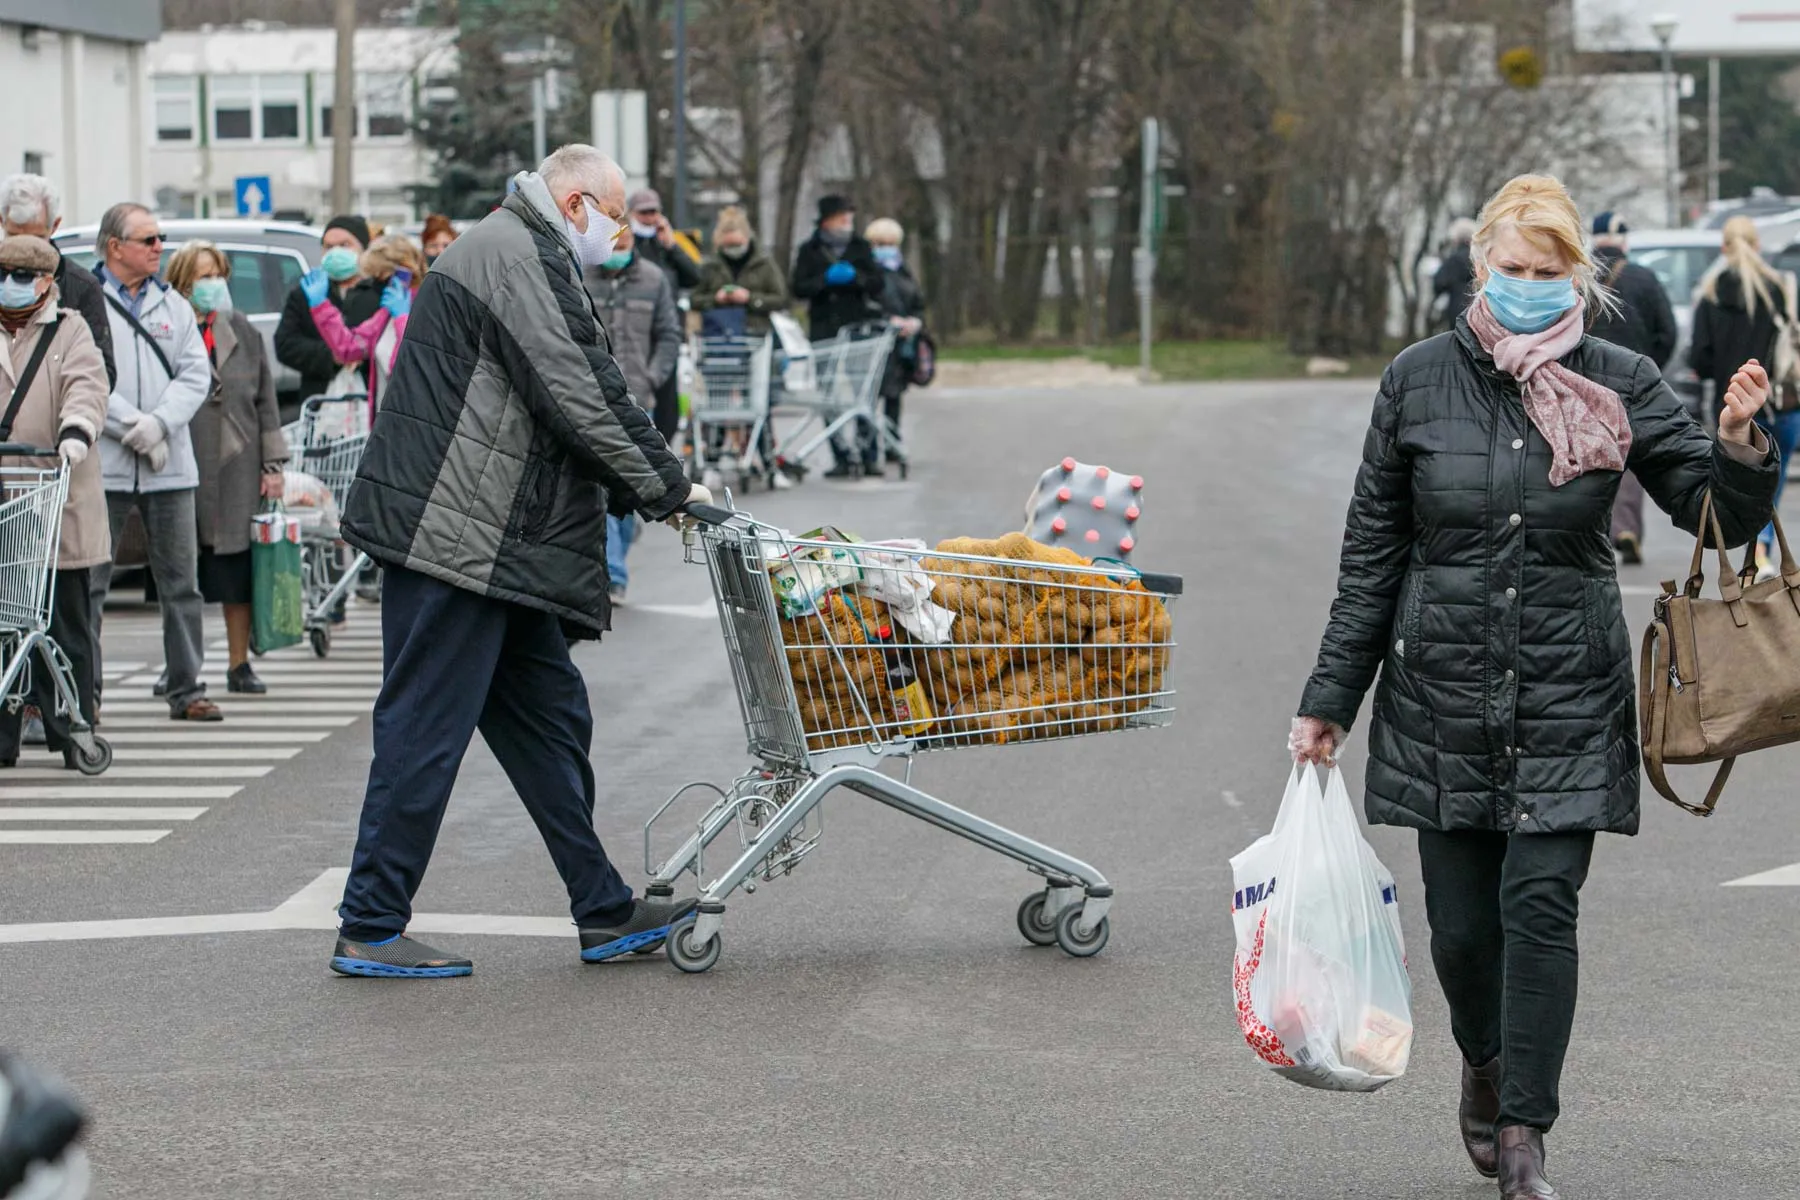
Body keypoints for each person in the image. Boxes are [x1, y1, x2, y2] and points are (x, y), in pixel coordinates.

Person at [1291, 174, 1777, 1200]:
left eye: (1545, 272)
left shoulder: (1621, 377)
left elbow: (1711, 515)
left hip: (1570, 692)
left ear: (1576, 277)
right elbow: (1373, 554)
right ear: (1481, 266)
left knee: (1541, 908)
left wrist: (1738, 448)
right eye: (1509, 270)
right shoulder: (1417, 381)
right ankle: (1485, 1064)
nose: (1524, 287)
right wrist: (1330, 698)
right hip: (1443, 700)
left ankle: (1524, 1136)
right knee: (1464, 936)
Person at [329, 144, 711, 978]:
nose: (617, 233)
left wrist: (649, 484)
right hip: (456, 538)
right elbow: (579, 388)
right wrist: (670, 490)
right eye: (610, 215)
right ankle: (369, 921)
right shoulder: (512, 254)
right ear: (573, 203)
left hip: (494, 540)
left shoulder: (524, 248)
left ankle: (603, 910)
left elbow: (574, 394)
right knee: (425, 731)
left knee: (550, 724)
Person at [90, 203, 223, 722]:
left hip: (169, 465)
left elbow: (196, 374)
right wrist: (132, 426)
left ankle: (187, 687)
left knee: (181, 583)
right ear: (114, 246)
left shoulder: (174, 305)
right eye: (146, 239)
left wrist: (160, 424)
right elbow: (87, 377)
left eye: (159, 238)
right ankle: (86, 693)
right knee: (92, 583)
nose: (158, 247)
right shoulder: (89, 303)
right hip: (108, 462)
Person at [0, 236, 109, 768]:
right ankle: (4, 735)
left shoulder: (69, 329)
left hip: (54, 495)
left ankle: (71, 730)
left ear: (46, 282)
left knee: (65, 622)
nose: (12, 283)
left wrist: (76, 431)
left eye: (23, 274)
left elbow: (87, 385)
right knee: (5, 621)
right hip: (6, 500)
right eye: (5, 272)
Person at [165, 241, 289, 694]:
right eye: (202, 276)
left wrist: (273, 464)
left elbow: (266, 401)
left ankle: (239, 664)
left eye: (217, 274)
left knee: (237, 574)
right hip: (182, 462)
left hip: (238, 464)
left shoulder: (241, 328)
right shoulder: (168, 327)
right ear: (182, 283)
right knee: (181, 575)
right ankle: (178, 668)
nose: (212, 284)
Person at [1690, 214, 1800, 582]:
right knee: (1774, 482)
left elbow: (1701, 359)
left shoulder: (1710, 294)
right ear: (1757, 246)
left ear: (1723, 247)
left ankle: (1758, 552)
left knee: (1743, 484)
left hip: (1734, 409)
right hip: (1779, 402)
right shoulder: (1780, 287)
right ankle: (1763, 549)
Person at [583, 233, 682, 604]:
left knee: (631, 487)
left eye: (622, 250)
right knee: (604, 484)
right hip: (593, 398)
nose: (615, 257)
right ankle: (614, 575)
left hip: (639, 397)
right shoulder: (582, 274)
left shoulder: (654, 279)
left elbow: (669, 334)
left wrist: (653, 375)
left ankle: (624, 538)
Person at [1588, 211, 1679, 566]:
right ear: (1624, 241)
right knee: (1626, 454)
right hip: (1630, 380)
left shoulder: (1575, 279)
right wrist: (1647, 369)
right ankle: (1625, 527)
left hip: (1579, 377)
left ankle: (1589, 530)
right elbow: (1667, 332)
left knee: (1583, 454)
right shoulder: (1645, 278)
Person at [790, 194, 886, 478]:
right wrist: (824, 281)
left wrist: (855, 278)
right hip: (825, 331)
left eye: (849, 215)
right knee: (829, 395)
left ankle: (868, 454)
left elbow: (877, 283)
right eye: (842, 215)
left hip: (858, 330)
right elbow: (798, 286)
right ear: (827, 220)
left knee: (863, 393)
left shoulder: (860, 247)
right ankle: (841, 455)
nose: (847, 220)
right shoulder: (810, 250)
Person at [0, 174, 115, 389]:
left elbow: (102, 373)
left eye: (36, 239)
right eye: (14, 236)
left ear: (55, 225)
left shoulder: (81, 285)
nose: (24, 250)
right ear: (1, 221)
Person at [303, 234, 424, 412]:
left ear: (405, 274)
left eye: (381, 278)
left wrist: (402, 320)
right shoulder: (386, 314)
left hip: (413, 422)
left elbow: (409, 369)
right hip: (385, 422)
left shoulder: (425, 310)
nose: (375, 286)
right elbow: (350, 347)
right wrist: (321, 306)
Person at [273, 215, 383, 410]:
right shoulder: (306, 292)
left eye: (345, 245)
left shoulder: (381, 292)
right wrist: (331, 356)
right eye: (328, 246)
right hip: (319, 402)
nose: (335, 252)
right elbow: (285, 344)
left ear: (364, 249)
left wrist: (358, 354)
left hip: (372, 401)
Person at [623, 188, 701, 441]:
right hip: (635, 328)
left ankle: (664, 442)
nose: (649, 218)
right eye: (643, 213)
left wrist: (672, 246)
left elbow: (694, 276)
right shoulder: (625, 243)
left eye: (654, 212)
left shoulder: (667, 245)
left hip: (666, 327)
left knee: (667, 394)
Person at [865, 217, 927, 468]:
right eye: (880, 243)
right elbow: (866, 305)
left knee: (894, 396)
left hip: (901, 345)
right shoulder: (869, 273)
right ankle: (868, 447)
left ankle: (892, 443)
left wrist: (914, 322)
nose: (885, 248)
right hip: (875, 342)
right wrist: (888, 320)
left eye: (889, 243)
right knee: (870, 397)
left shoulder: (904, 271)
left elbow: (918, 303)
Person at [691, 206, 789, 338]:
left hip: (757, 335)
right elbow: (693, 299)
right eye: (729, 245)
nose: (733, 250)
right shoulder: (710, 266)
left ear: (747, 237)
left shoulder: (764, 264)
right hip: (719, 334)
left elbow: (781, 299)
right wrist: (716, 299)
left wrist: (750, 299)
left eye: (737, 245)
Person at [1433, 217, 1477, 332]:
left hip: (1457, 307)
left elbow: (1440, 282)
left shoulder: (1454, 259)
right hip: (1477, 307)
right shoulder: (1480, 258)